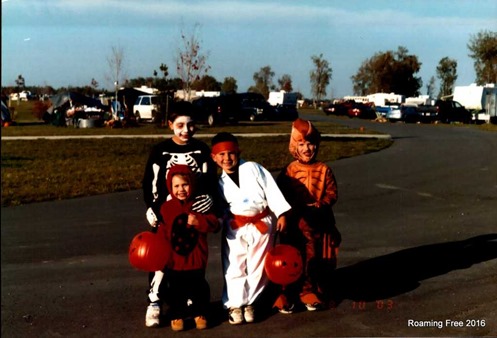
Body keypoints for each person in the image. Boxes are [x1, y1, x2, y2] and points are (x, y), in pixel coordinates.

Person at [142, 101, 217, 328]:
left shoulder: (202, 150)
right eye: (181, 125)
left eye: (191, 125)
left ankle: (192, 303)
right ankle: (154, 300)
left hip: (193, 214)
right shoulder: (161, 151)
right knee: (161, 260)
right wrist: (151, 207)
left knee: (193, 261)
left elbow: (210, 181)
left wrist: (210, 199)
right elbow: (150, 182)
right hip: (166, 215)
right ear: (170, 125)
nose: (186, 130)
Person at [210, 132, 291, 325]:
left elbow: (271, 190)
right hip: (235, 226)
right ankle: (234, 305)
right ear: (214, 157)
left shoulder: (253, 168)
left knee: (258, 265)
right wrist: (218, 221)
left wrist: (281, 213)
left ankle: (251, 303)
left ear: (239, 152)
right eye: (221, 155)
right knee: (234, 264)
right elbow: (220, 207)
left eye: (231, 153)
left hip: (261, 224)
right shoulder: (219, 182)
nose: (227, 158)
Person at [275, 118, 341, 313]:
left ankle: (308, 291)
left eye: (310, 144)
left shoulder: (324, 169)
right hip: (293, 223)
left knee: (313, 257)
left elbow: (332, 193)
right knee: (291, 256)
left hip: (316, 223)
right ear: (294, 146)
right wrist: (284, 213)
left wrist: (321, 205)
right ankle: (287, 292)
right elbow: (278, 196)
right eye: (301, 144)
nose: (306, 149)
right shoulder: (289, 171)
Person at [157, 164, 220, 331]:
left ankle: (200, 312)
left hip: (196, 256)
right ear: (170, 187)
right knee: (175, 288)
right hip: (174, 259)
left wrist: (199, 221)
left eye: (185, 184)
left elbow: (214, 223)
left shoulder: (199, 205)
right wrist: (159, 252)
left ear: (192, 184)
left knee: (198, 286)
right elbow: (163, 233)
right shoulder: (166, 208)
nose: (181, 189)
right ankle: (177, 314)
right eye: (176, 186)